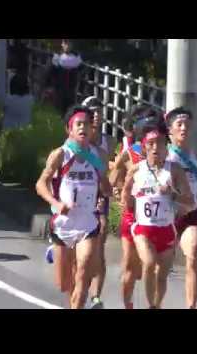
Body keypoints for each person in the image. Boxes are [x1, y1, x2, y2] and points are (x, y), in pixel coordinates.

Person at [36, 106, 112, 309]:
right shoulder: (60, 154)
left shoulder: (100, 156)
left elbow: (107, 189)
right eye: (78, 124)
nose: (83, 128)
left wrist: (103, 190)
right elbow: (40, 184)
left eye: (87, 124)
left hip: (88, 222)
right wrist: (56, 203)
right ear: (69, 129)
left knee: (84, 271)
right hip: (63, 223)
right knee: (64, 284)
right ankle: (55, 250)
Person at [122, 123, 194, 309]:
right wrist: (127, 207)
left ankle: (155, 305)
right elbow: (125, 195)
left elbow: (190, 201)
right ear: (144, 147)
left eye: (160, 143)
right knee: (149, 264)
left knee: (162, 275)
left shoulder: (175, 170)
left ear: (166, 146)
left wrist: (173, 193)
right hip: (143, 229)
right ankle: (147, 304)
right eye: (151, 144)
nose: (156, 148)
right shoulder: (136, 170)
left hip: (166, 231)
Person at [109, 105, 162, 309]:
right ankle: (128, 304)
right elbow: (113, 178)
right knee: (131, 268)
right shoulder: (130, 153)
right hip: (133, 216)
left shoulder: (166, 154)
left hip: (158, 219)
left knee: (156, 267)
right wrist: (120, 185)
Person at [165, 107, 197, 309]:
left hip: (192, 213)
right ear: (170, 130)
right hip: (168, 215)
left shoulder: (194, 154)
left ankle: (191, 306)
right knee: (161, 266)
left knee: (193, 256)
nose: (184, 128)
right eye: (179, 124)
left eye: (187, 124)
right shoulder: (166, 156)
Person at [81, 96, 116, 309]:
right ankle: (80, 289)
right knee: (81, 253)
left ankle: (95, 296)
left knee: (99, 247)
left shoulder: (109, 143)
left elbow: (108, 176)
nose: (96, 115)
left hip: (98, 199)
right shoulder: (75, 143)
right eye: (91, 111)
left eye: (99, 110)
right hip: (76, 203)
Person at [52, 39, 83, 114]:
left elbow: (80, 70)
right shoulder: (58, 55)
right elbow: (53, 71)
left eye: (69, 43)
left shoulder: (76, 56)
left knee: (70, 106)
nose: (67, 46)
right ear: (62, 44)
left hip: (71, 87)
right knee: (59, 105)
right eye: (65, 43)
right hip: (59, 86)